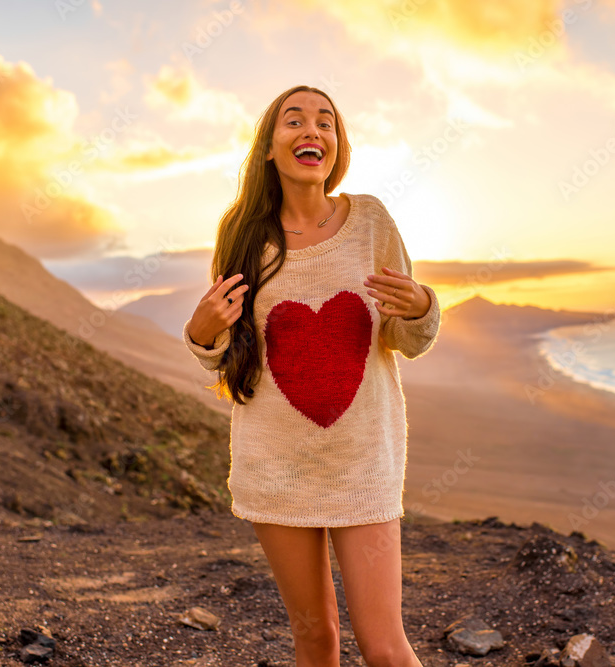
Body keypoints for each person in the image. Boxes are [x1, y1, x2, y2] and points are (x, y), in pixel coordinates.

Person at [183, 84, 440, 667]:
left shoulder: (371, 220)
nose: (312, 130)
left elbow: (404, 338)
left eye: (326, 122)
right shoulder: (242, 235)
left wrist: (422, 306)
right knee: (315, 638)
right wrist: (202, 331)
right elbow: (234, 355)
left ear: (337, 145)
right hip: (275, 468)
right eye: (293, 120)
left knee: (384, 648)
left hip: (363, 463)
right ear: (269, 148)